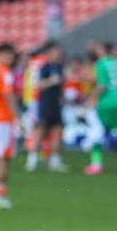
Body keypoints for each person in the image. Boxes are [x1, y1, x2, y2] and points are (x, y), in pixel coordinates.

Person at [85, 42, 117, 175]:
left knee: (98, 133)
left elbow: (102, 85)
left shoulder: (100, 64)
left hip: (106, 103)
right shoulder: (116, 63)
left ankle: (96, 164)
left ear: (103, 50)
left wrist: (91, 99)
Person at [26, 41, 68, 172]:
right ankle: (31, 159)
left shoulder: (59, 67)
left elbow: (60, 87)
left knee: (58, 131)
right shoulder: (44, 67)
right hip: (45, 103)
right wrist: (50, 81)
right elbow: (36, 85)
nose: (59, 54)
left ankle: (55, 161)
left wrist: (63, 99)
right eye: (56, 52)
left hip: (56, 104)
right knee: (41, 131)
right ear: (49, 53)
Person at [0, 43, 19, 209]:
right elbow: (8, 96)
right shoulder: (4, 72)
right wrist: (18, 118)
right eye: (8, 55)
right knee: (3, 157)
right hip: (1, 119)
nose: (10, 59)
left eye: (12, 56)